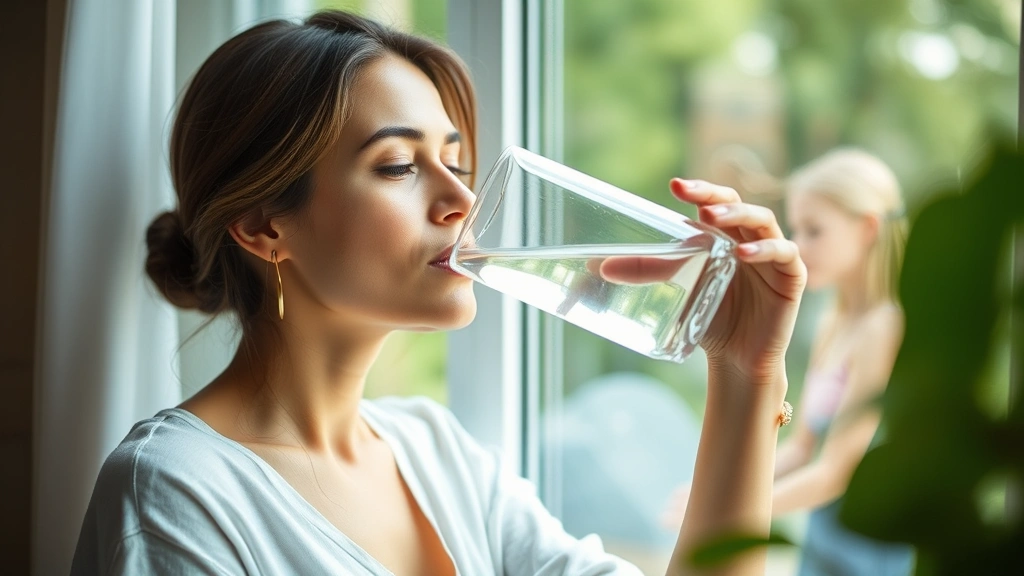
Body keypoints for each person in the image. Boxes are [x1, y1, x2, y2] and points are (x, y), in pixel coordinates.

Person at [70, 10, 806, 576]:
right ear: (265, 227)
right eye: (397, 166)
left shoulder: (439, 454)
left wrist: (745, 373)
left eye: (455, 161)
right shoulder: (176, 492)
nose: (461, 198)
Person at [662, 149, 913, 575]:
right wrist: (707, 493)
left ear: (868, 228)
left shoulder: (883, 327)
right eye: (797, 227)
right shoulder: (834, 323)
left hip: (866, 548)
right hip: (823, 541)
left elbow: (836, 472)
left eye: (815, 230)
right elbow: (803, 447)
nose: (799, 244)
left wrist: (730, 515)